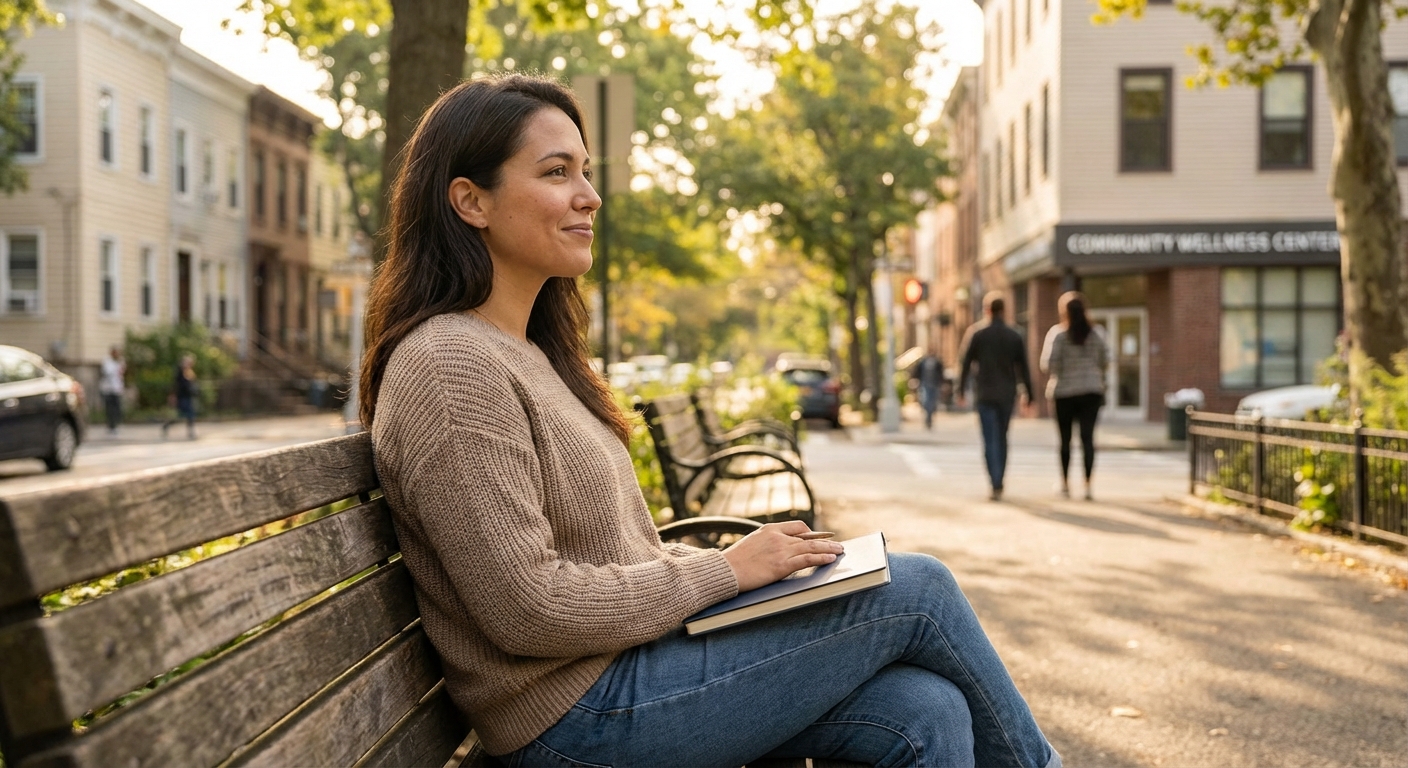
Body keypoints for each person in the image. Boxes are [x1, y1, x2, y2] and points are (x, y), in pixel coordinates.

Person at [361, 74, 1059, 768]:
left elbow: (613, 559)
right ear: (470, 201)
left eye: (586, 171)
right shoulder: (450, 366)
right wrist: (725, 573)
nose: (590, 195)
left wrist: (751, 574)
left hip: (629, 671)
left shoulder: (528, 354)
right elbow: (529, 606)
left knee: (925, 710)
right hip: (574, 720)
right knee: (919, 589)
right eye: (556, 172)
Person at [956, 292, 1034, 502]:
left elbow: (964, 363)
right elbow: (1024, 368)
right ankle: (999, 481)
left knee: (989, 439)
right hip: (1007, 395)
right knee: (1002, 438)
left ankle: (994, 481)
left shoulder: (977, 333)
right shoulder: (1014, 334)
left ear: (987, 310)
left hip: (985, 394)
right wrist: (1029, 395)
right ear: (1003, 310)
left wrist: (960, 390)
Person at [1040, 292, 1109, 500]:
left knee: (1065, 440)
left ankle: (1065, 484)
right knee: (1088, 439)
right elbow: (1106, 359)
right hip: (1091, 392)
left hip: (1064, 393)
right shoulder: (1097, 333)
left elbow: (1048, 364)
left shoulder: (1058, 334)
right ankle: (1087, 485)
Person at [161, 354, 198, 440]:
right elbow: (175, 385)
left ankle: (190, 432)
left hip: (189, 396)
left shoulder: (190, 373)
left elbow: (192, 384)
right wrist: (173, 396)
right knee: (181, 415)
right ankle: (167, 425)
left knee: (190, 414)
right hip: (181, 397)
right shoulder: (179, 373)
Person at [913, 345, 944, 429]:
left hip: (935, 384)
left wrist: (942, 383)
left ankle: (930, 417)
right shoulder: (923, 362)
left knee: (933, 402)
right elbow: (917, 371)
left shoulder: (937, 362)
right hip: (925, 384)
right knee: (926, 401)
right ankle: (928, 417)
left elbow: (941, 373)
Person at [99, 345, 125, 434]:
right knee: (109, 408)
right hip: (108, 389)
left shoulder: (120, 361)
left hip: (117, 388)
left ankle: (115, 424)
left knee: (117, 408)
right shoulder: (107, 361)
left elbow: (121, 373)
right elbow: (107, 372)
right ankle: (111, 425)